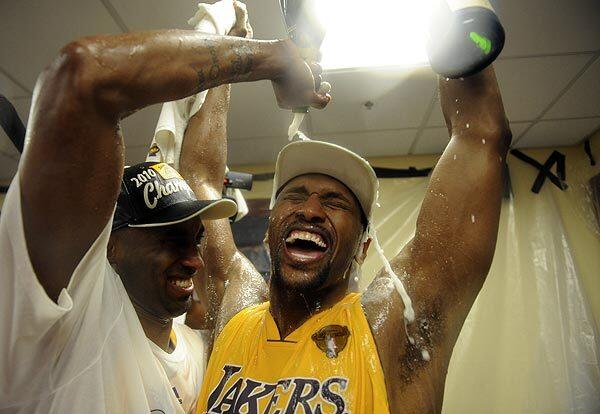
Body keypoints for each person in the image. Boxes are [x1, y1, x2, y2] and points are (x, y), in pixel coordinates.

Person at [0, 8, 330, 413]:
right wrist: (271, 59)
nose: (193, 259)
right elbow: (85, 76)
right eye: (169, 238)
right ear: (109, 246)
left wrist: (231, 42)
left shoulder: (195, 349)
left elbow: (204, 174)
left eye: (194, 237)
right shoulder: (63, 327)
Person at [192, 63, 511, 411]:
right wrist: (226, 53)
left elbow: (479, 135)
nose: (311, 210)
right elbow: (200, 179)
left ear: (362, 247)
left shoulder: (389, 328)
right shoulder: (235, 312)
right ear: (270, 235)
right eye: (295, 195)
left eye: (335, 202)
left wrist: (454, 25)